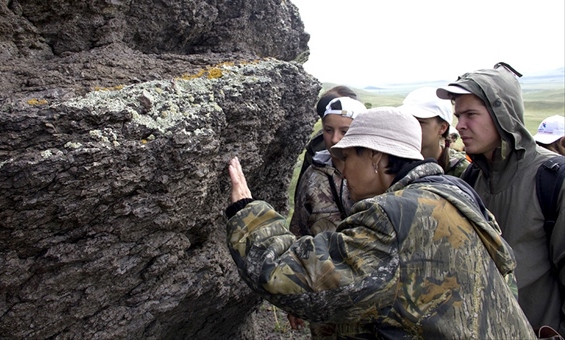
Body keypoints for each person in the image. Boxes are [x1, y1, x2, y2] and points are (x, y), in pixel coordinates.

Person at [225, 107, 535, 338]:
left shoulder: (392, 215)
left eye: (347, 157)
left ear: (375, 156)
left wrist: (246, 211)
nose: (342, 171)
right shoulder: (455, 194)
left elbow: (290, 280)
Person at [436, 62, 565, 334]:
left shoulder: (551, 179)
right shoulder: (472, 178)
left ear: (501, 113)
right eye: (458, 115)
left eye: (471, 114)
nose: (460, 126)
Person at [288, 96, 366, 338]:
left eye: (345, 130)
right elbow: (299, 234)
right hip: (323, 294)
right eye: (328, 130)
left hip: (368, 297)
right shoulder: (313, 174)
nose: (334, 139)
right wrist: (295, 298)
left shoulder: (378, 172)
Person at [399, 87, 469, 177]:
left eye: (420, 122)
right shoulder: (395, 164)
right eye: (408, 120)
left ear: (442, 128)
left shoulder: (461, 171)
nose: (410, 126)